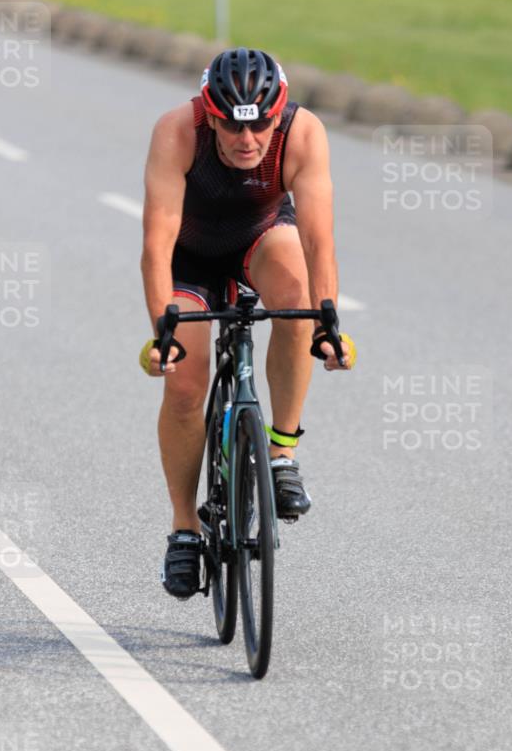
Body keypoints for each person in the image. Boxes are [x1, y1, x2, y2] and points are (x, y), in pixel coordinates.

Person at [140, 47, 356, 599]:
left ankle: (281, 452)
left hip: (261, 239)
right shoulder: (177, 131)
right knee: (185, 384)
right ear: (210, 116)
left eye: (260, 124)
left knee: (297, 302)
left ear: (277, 114)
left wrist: (327, 320)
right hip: (190, 258)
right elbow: (157, 245)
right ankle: (184, 529)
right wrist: (163, 331)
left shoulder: (303, 133)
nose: (247, 139)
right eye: (232, 126)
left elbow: (318, 241)